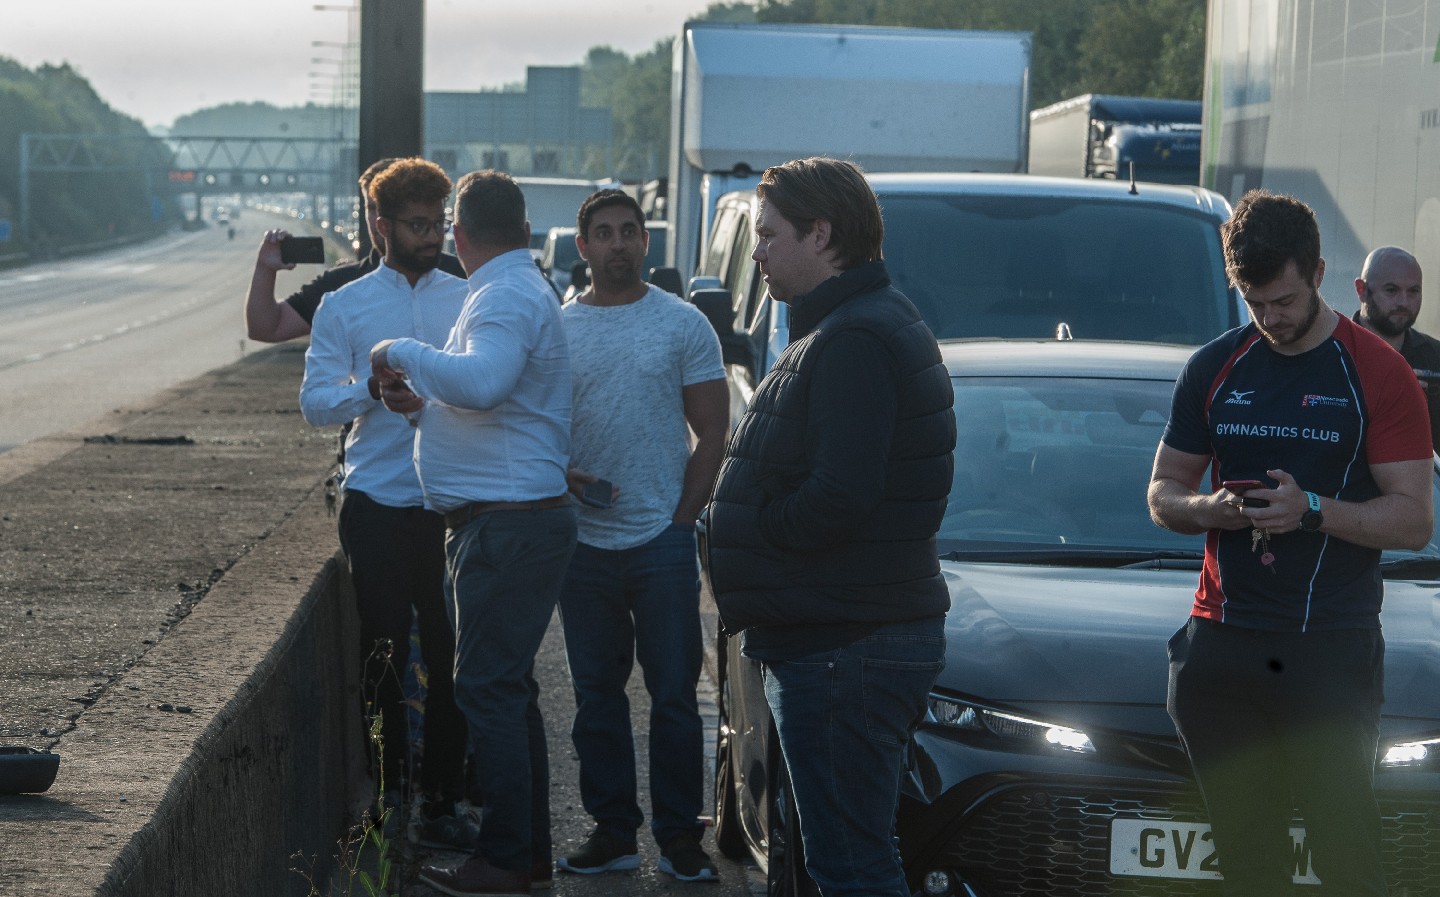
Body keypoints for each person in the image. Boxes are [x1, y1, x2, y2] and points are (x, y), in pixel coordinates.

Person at [1148, 189, 1433, 897]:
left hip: (1327, 646)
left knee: (1346, 858)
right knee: (1249, 866)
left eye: (1282, 300)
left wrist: (1312, 512)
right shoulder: (1213, 366)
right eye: (1253, 303)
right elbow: (1162, 492)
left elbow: (1413, 520)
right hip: (1223, 643)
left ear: (1319, 273)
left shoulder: (1378, 371)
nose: (1270, 319)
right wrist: (1212, 507)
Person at [704, 157, 956, 897]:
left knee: (852, 864)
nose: (757, 253)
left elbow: (840, 495)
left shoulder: (855, 340)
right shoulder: (859, 323)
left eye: (768, 235)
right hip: (842, 636)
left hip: (845, 646)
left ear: (821, 233)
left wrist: (760, 526)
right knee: (835, 858)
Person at [370, 169, 575, 896]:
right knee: (507, 692)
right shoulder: (516, 288)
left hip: (507, 526)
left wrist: (399, 350)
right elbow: (493, 407)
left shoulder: (505, 294)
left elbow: (485, 383)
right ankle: (527, 853)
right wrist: (421, 409)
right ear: (523, 229)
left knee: (488, 690)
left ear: (457, 236)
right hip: (511, 518)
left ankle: (507, 857)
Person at [552, 189, 727, 881]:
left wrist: (682, 520)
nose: (617, 243)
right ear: (584, 245)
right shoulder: (559, 329)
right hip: (583, 544)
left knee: (676, 695)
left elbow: (714, 432)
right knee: (597, 694)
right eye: (604, 233)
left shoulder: (683, 326)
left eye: (629, 231)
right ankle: (613, 829)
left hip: (661, 538)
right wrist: (563, 476)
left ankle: (681, 838)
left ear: (645, 244)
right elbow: (534, 431)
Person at [297, 157, 472, 846]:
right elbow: (313, 403)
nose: (433, 237)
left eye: (440, 223)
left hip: (451, 500)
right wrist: (369, 392)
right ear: (380, 224)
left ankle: (445, 798)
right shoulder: (345, 305)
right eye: (418, 224)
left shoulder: (466, 297)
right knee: (383, 653)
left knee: (453, 653)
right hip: (375, 501)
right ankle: (387, 788)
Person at [245, 157, 466, 344]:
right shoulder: (341, 286)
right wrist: (265, 268)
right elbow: (266, 328)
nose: (378, 216)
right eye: (371, 207)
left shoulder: (464, 277)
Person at [1353, 245, 1440, 453]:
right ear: (1361, 290)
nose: (1403, 302)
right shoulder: (1333, 350)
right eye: (1391, 290)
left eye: (1413, 291)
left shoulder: (1435, 356)